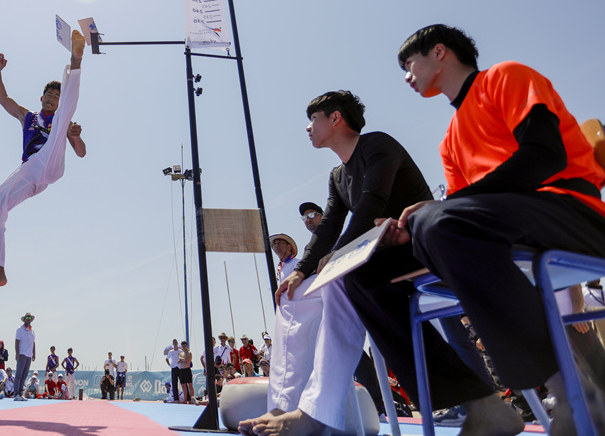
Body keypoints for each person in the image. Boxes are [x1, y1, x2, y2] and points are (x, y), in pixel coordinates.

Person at [350, 24, 605, 435]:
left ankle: (574, 393)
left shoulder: (506, 76)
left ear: (439, 52)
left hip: (571, 212)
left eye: (409, 63)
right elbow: (458, 220)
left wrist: (439, 212)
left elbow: (545, 156)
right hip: (506, 228)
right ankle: (481, 404)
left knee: (437, 221)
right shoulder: (449, 141)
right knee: (365, 272)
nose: (406, 76)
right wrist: (410, 232)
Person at [240, 91, 433, 436]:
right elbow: (329, 226)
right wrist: (300, 271)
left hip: (414, 250)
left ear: (335, 118)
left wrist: (340, 253)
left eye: (313, 118)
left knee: (337, 281)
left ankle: (315, 414)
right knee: (292, 296)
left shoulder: (378, 145)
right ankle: (285, 405)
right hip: (371, 260)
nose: (308, 127)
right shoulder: (337, 176)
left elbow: (372, 203)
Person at [0, 31, 87, 291]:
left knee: (63, 120)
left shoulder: (62, 121)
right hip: (32, 174)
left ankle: (76, 60)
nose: (52, 98)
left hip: (50, 163)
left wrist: (75, 137)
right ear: (42, 97)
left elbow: (80, 153)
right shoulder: (28, 116)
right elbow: (3, 99)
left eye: (57, 96)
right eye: (49, 95)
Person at [13, 312, 36, 400]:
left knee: (24, 375)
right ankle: (16, 394)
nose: (28, 319)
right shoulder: (20, 329)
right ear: (24, 319)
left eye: (30, 318)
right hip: (22, 354)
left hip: (29, 355)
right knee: (19, 374)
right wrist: (17, 353)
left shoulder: (32, 331)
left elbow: (33, 343)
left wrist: (34, 353)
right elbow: (17, 341)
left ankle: (20, 393)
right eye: (27, 318)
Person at [164, 339, 181, 404]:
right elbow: (167, 359)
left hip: (179, 368)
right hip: (173, 368)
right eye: (174, 343)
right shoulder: (171, 352)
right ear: (173, 344)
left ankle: (186, 397)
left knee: (183, 383)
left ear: (177, 343)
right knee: (174, 383)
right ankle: (176, 398)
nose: (175, 343)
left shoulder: (180, 351)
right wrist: (169, 365)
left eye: (176, 342)